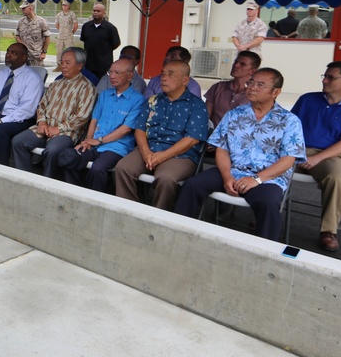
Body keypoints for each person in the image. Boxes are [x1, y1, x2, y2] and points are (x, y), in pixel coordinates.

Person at [175, 68, 306, 241]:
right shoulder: (235, 114)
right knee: (192, 186)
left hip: (268, 178)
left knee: (268, 202)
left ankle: (264, 252)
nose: (252, 87)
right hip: (234, 170)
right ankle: (178, 234)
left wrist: (257, 179)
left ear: (276, 92)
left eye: (260, 85)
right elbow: (222, 148)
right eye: (251, 82)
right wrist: (226, 176)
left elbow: (288, 159)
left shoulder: (289, 121)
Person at [290, 62, 341, 252]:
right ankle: (268, 212)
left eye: (330, 77)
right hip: (295, 149)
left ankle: (328, 231)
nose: (324, 81)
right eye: (324, 76)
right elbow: (288, 125)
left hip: (328, 155)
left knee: (337, 179)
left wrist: (317, 158)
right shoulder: (307, 99)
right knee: (270, 167)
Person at [114, 60, 209, 211]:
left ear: (185, 80)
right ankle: (129, 212)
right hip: (149, 149)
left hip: (180, 155)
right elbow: (139, 129)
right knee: (123, 168)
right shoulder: (154, 100)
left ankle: (159, 217)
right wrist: (146, 153)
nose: (163, 78)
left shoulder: (196, 105)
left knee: (166, 179)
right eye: (163, 74)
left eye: (171, 74)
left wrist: (163, 156)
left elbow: (192, 139)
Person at [57, 58, 146, 192]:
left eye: (117, 73)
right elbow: (94, 120)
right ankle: (76, 192)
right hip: (94, 143)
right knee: (68, 157)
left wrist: (98, 141)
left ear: (130, 75)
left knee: (98, 169)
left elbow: (126, 129)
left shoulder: (138, 99)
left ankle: (96, 202)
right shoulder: (105, 95)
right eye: (111, 72)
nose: (112, 76)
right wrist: (88, 141)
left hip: (116, 147)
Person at [10, 47, 96, 177]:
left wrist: (59, 128)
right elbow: (42, 105)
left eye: (68, 63)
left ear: (79, 66)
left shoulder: (87, 87)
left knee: (53, 150)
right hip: (45, 127)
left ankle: (48, 184)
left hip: (67, 132)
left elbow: (82, 117)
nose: (63, 66)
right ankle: (25, 179)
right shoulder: (56, 84)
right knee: (18, 141)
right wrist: (42, 122)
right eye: (62, 62)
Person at [204, 51, 261, 127]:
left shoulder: (256, 93)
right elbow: (205, 117)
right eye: (235, 62)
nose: (236, 65)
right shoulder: (218, 87)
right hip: (215, 135)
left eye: (242, 64)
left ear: (252, 71)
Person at [79, 2, 121, 80]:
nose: (95, 13)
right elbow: (84, 40)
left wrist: (105, 51)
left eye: (98, 11)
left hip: (103, 65)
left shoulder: (110, 28)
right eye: (94, 10)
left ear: (104, 13)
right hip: (89, 64)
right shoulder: (86, 26)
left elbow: (116, 43)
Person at [15, 0, 50, 66]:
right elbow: (17, 35)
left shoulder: (41, 22)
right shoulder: (21, 22)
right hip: (23, 56)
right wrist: (21, 44)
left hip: (36, 57)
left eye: (24, 8)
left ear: (30, 8)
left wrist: (44, 52)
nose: (22, 10)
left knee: (37, 75)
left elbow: (47, 37)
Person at [55, 0, 79, 66]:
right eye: (63, 5)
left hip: (68, 37)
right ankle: (59, 65)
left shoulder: (72, 14)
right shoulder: (59, 15)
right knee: (59, 52)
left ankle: (70, 65)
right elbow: (57, 25)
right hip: (60, 37)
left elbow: (76, 25)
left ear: (69, 6)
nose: (64, 6)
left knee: (70, 51)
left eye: (65, 5)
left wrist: (71, 33)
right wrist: (61, 31)